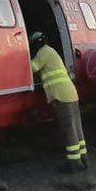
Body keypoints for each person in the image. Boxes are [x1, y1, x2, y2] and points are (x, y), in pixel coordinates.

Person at [29, 31, 88, 173]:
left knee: (69, 129)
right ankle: (83, 159)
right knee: (76, 127)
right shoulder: (51, 51)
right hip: (70, 93)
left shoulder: (44, 52)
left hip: (61, 95)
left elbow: (33, 67)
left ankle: (74, 164)